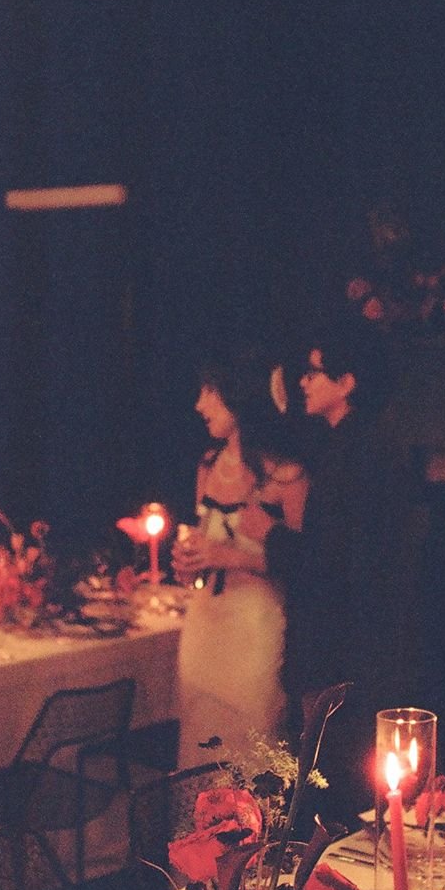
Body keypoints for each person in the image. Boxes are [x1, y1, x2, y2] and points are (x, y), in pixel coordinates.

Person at [261, 317, 421, 824]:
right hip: (353, 638)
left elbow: (333, 559)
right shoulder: (352, 443)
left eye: (315, 372)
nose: (304, 381)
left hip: (342, 643)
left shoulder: (360, 452)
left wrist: (269, 535)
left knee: (327, 780)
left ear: (347, 381)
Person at [172, 353, 308, 767]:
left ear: (238, 396)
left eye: (209, 392)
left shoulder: (286, 474)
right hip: (205, 623)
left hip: (253, 626)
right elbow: (202, 543)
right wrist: (189, 561)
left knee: (251, 748)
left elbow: (304, 563)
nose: (200, 405)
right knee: (199, 746)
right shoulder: (208, 464)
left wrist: (227, 554)